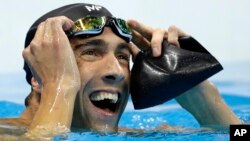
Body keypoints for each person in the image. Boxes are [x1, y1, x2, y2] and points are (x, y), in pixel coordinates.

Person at [0, 3, 241, 139]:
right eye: (91, 52)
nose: (116, 71)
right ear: (37, 75)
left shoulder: (139, 135)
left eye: (123, 56)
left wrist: (202, 97)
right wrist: (60, 86)